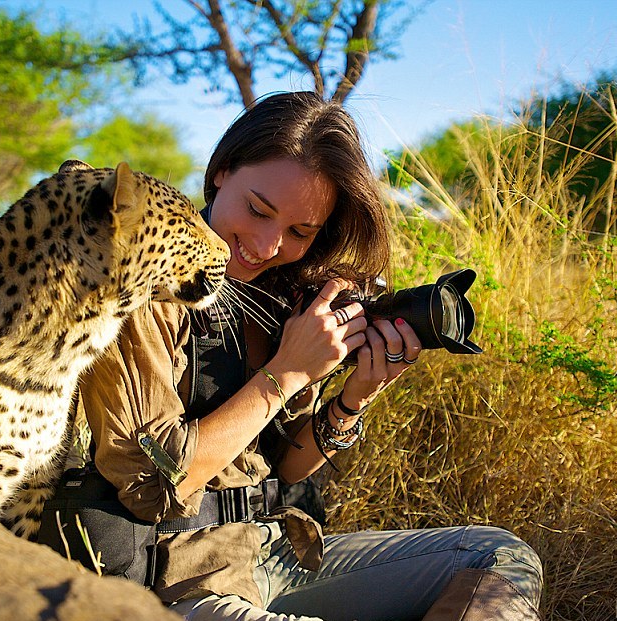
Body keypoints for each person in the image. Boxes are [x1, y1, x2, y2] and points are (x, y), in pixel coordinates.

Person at [77, 91, 543, 621]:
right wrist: (287, 372)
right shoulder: (150, 283)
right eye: (258, 209)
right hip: (181, 577)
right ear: (220, 173)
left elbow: (284, 465)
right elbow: (153, 486)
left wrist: (354, 396)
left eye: (300, 232)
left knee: (502, 559)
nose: (267, 244)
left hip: (278, 552)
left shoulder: (282, 299)